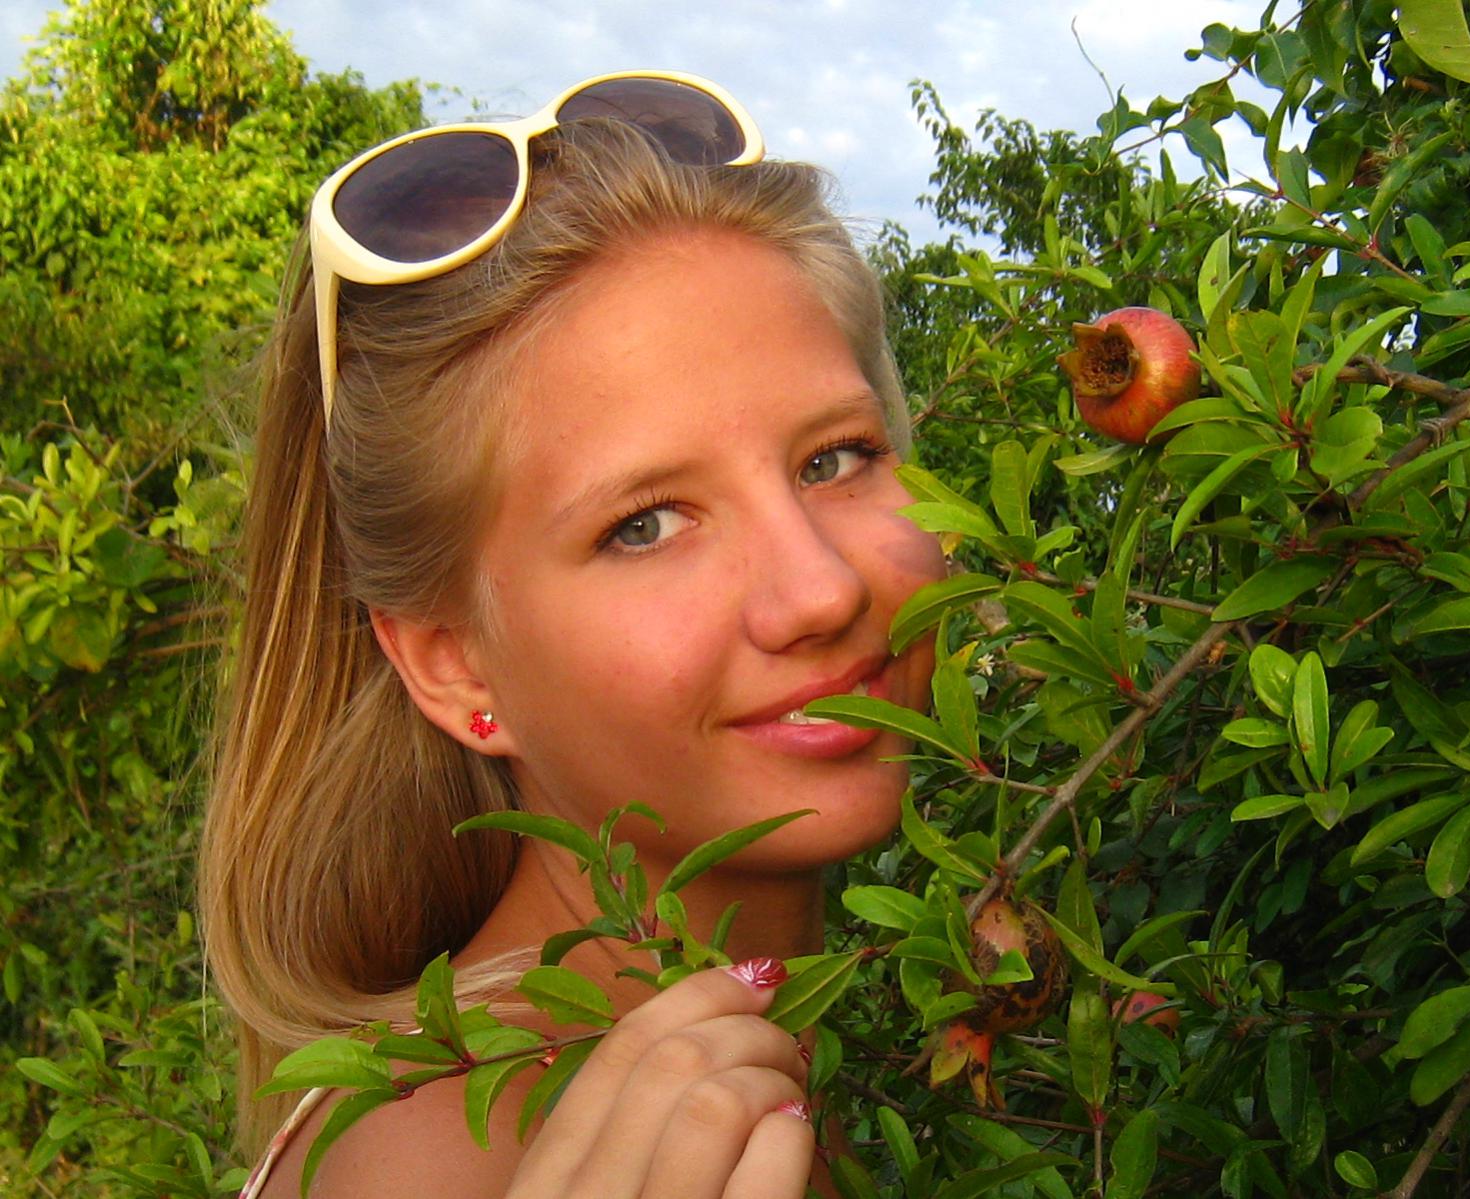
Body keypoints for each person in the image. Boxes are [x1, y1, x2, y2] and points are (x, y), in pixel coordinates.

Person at [200, 71, 946, 1198]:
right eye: (644, 525)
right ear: (452, 662)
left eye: (833, 458)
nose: (820, 590)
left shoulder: (889, 1039)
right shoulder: (430, 1159)